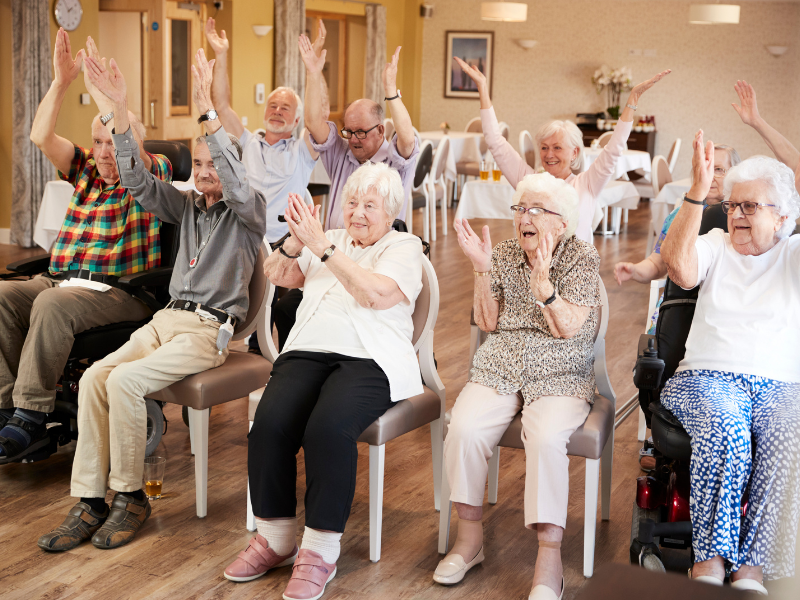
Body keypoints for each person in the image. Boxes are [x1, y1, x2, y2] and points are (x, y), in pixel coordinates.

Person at [36, 48, 266, 552]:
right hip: (166, 320)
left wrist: (207, 110)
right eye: (199, 164)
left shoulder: (249, 213)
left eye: (214, 164)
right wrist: (120, 110)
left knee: (124, 381)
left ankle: (130, 496)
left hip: (208, 330)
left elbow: (234, 176)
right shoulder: (185, 206)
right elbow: (137, 181)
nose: (205, 172)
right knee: (96, 376)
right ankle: (91, 503)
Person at [224, 163, 422, 600]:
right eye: (352, 202)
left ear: (390, 213)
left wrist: (324, 248)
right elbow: (279, 275)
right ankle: (275, 539)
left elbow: (373, 294)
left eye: (370, 205)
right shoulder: (326, 236)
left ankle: (319, 551)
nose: (358, 213)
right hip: (308, 350)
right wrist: (297, 244)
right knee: (269, 423)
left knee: (328, 429)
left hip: (370, 358)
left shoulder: (404, 246)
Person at [0, 30, 171, 463]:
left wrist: (107, 97)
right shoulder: (85, 170)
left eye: (113, 142)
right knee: (2, 296)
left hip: (120, 291)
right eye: (98, 142)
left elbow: (130, 151)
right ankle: (5, 407)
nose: (105, 152)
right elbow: (41, 136)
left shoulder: (151, 175)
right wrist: (61, 82)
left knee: (53, 306)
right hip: (62, 281)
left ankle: (30, 416)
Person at [437, 173, 601, 600]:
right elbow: (488, 322)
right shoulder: (506, 253)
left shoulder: (581, 256)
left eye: (536, 210)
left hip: (560, 368)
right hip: (502, 362)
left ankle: (549, 559)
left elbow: (568, 328)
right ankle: (469, 541)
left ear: (560, 222)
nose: (524, 217)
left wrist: (545, 287)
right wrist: (480, 268)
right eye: (520, 209)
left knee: (547, 437)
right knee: (465, 429)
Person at [660, 131, 800, 592]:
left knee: (790, 434)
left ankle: (752, 568)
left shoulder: (793, 255)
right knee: (728, 430)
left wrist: (761, 123)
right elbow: (678, 268)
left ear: (782, 217)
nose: (736, 215)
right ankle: (711, 563)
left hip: (780, 384)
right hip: (706, 377)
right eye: (733, 205)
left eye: (751, 207)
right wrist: (697, 195)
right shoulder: (716, 243)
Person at [455, 59, 670, 242]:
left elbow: (614, 149)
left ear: (574, 153)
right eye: (544, 148)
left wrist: (632, 100)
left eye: (557, 148)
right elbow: (495, 141)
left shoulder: (587, 183)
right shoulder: (529, 181)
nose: (549, 154)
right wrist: (482, 87)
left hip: (576, 277)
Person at [204, 17, 321, 244]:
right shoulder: (247, 142)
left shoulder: (303, 151)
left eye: (285, 108)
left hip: (282, 243)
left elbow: (317, 119)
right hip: (242, 237)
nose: (277, 111)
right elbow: (222, 107)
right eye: (273, 106)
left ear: (297, 120)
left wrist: (313, 71)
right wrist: (221, 54)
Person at [614, 144, 741, 333]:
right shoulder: (678, 216)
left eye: (719, 169)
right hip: (677, 307)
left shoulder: (741, 218)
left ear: (735, 175)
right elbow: (657, 264)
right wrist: (634, 270)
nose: (710, 176)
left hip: (724, 312)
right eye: (704, 168)